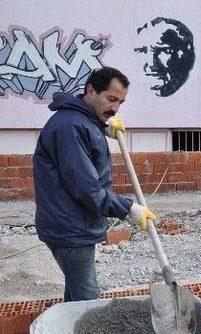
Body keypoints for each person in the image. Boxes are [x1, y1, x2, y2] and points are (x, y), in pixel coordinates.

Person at [33, 66, 156, 302]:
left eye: (120, 102)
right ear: (91, 91)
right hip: (70, 229)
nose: (115, 108)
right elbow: (87, 188)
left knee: (76, 297)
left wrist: (101, 128)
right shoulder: (70, 127)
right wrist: (128, 208)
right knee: (88, 303)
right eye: (111, 99)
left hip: (74, 224)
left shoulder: (81, 122)